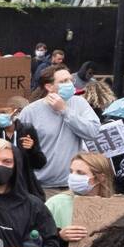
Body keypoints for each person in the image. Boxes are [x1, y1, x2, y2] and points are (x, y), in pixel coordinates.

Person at [16, 65, 101, 197]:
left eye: (70, 80)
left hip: (72, 186)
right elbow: (19, 150)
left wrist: (64, 111)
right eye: (63, 82)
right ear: (49, 87)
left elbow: (93, 132)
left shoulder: (80, 104)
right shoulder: (31, 112)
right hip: (41, 188)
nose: (69, 84)